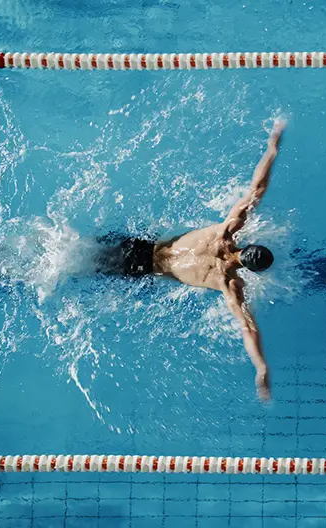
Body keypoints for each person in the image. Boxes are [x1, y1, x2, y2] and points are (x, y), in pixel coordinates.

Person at [98, 120, 284, 400]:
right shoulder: (229, 283)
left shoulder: (226, 232)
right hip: (140, 270)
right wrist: (261, 368)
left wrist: (272, 147)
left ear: (249, 243)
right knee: (86, 268)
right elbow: (248, 328)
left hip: (139, 246)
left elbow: (255, 191)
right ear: (250, 270)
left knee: (84, 250)